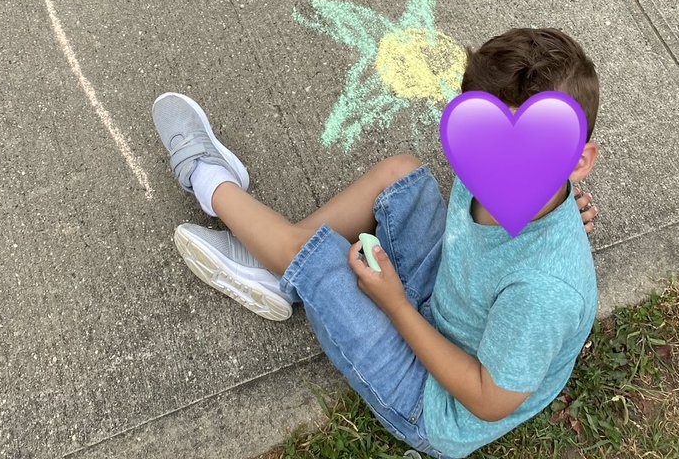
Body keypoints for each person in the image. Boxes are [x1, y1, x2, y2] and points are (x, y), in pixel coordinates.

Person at [152, 27, 599, 459]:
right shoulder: (529, 181)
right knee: (400, 175)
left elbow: (487, 399)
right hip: (451, 298)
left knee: (323, 260)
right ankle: (275, 267)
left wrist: (397, 306)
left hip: (435, 402)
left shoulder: (543, 291)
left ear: (577, 161)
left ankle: (205, 176)